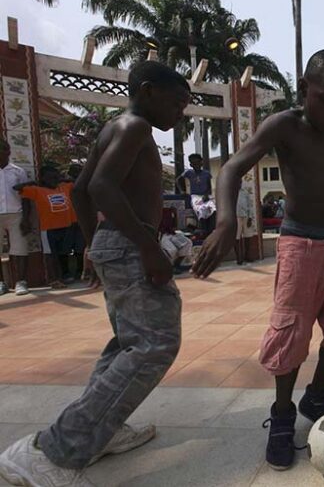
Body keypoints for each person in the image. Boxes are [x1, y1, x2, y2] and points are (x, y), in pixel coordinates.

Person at [0, 60, 190, 487]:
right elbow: (101, 187)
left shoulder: (113, 128)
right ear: (146, 91)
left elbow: (83, 189)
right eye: (177, 102)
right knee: (156, 344)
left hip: (112, 242)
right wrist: (148, 248)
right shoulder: (135, 128)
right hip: (129, 246)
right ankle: (54, 449)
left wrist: (92, 245)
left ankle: (102, 429)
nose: (182, 113)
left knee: (128, 343)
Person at [192, 49, 324, 471]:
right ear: (304, 89)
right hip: (298, 245)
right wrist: (226, 222)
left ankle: (318, 393)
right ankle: (284, 415)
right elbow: (231, 168)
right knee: (290, 333)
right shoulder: (286, 126)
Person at [16, 165, 77, 288]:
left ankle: (65, 275)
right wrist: (34, 182)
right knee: (50, 255)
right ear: (43, 179)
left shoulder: (64, 187)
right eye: (50, 178)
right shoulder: (37, 190)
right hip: (49, 229)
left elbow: (76, 182)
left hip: (66, 226)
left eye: (56, 177)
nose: (54, 180)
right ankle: (54, 279)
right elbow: (17, 188)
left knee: (64, 252)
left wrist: (62, 179)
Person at [0, 138, 31, 295]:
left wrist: (26, 218)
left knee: (20, 249)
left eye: (2, 149)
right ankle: (1, 284)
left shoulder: (18, 172)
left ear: (8, 151)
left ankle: (21, 282)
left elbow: (26, 197)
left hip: (16, 213)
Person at [178, 153, 216, 235]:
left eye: (198, 163)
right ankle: (203, 229)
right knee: (200, 208)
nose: (196, 165)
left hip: (206, 195)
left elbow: (209, 186)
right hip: (195, 196)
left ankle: (211, 229)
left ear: (201, 163)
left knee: (212, 208)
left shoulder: (206, 174)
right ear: (191, 165)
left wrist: (207, 195)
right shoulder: (189, 172)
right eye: (194, 164)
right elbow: (178, 180)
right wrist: (182, 190)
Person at [66, 163, 86, 281]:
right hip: (67, 222)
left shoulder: (84, 184)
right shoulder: (64, 185)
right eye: (76, 171)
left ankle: (81, 271)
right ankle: (67, 273)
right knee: (66, 249)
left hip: (80, 221)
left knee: (80, 248)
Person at [235, 187, 252, 265]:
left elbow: (249, 205)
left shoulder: (245, 192)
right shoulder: (231, 191)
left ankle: (248, 256)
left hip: (246, 216)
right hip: (236, 216)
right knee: (236, 238)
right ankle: (239, 257)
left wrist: (250, 217)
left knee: (247, 236)